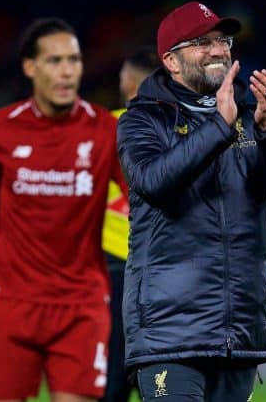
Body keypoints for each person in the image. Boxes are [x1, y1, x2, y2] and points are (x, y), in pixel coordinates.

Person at [117, 1, 266, 401]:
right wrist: (218, 127)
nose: (218, 50)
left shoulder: (249, 115)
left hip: (237, 332)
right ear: (171, 62)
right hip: (169, 334)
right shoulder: (142, 120)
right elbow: (154, 182)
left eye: (223, 41)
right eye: (201, 42)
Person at [0, 17, 128, 402]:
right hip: (12, 304)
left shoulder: (105, 130)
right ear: (30, 67)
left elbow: (143, 203)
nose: (67, 71)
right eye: (54, 61)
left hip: (81, 306)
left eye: (74, 60)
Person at [100, 46, 157, 402]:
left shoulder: (105, 127)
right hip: (162, 270)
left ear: (128, 81)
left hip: (115, 269)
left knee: (113, 377)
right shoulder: (178, 129)